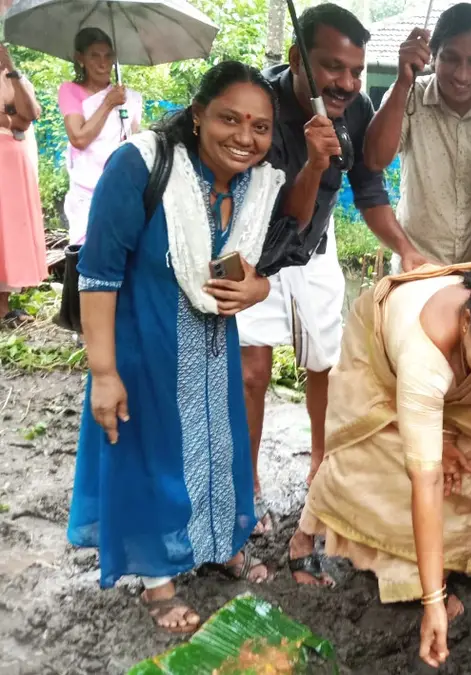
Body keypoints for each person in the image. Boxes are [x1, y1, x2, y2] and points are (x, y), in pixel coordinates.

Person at [67, 61, 313, 635]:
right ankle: (159, 579)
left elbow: (257, 265)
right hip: (142, 341)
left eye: (258, 127)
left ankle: (219, 541)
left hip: (212, 348)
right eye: (229, 119)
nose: (244, 138)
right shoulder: (141, 165)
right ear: (199, 113)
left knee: (215, 446)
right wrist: (104, 372)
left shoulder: (255, 183)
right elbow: (98, 275)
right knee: (152, 454)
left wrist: (258, 286)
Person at [288, 263, 471, 668]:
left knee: (466, 465)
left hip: (436, 372)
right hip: (380, 360)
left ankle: (443, 564)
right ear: (466, 323)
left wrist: (446, 435)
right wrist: (434, 606)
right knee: (367, 457)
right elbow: (424, 482)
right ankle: (304, 538)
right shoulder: (422, 357)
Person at [237, 3, 428, 533]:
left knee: (324, 365)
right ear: (298, 57)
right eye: (331, 67)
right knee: (252, 374)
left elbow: (370, 188)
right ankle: (245, 484)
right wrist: (315, 162)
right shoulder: (260, 105)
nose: (345, 83)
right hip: (253, 256)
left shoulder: (357, 108)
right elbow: (285, 218)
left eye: (355, 71)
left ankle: (320, 468)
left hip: (315, 257)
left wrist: (405, 247)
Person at [364, 2, 471, 269]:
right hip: (416, 268)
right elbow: (375, 159)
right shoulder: (408, 95)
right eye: (450, 58)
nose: (462, 74)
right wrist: (403, 82)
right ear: (432, 55)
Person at [59, 27, 143, 247]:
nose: (103, 63)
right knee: (89, 250)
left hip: (121, 187)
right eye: (94, 55)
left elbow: (137, 141)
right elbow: (79, 138)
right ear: (80, 59)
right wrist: (108, 103)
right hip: (86, 192)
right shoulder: (71, 91)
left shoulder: (129, 98)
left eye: (108, 56)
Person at [0, 43, 46, 326]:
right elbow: (13, 119)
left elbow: (27, 116)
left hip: (13, 163)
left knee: (9, 230)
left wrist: (12, 69)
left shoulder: (13, 77)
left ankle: (4, 307)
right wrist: (9, 114)